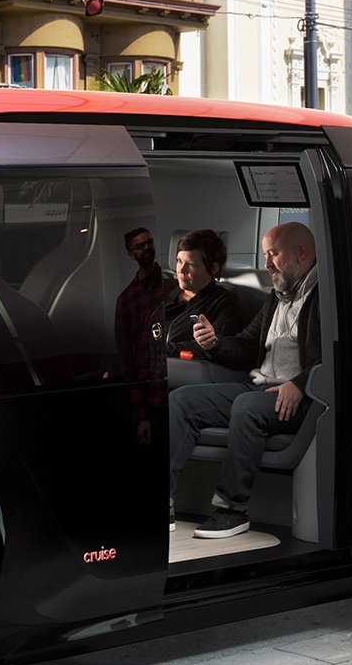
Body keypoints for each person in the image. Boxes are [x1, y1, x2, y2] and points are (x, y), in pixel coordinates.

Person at [169, 221, 322, 539]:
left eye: (273, 254)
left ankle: (231, 510)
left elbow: (338, 356)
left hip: (300, 395)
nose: (266, 264)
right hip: (259, 386)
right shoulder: (277, 297)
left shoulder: (326, 296)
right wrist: (214, 343)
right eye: (265, 255)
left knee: (247, 405)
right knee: (182, 399)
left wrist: (300, 383)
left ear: (302, 252)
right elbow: (246, 345)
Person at [113, 226, 173, 448]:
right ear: (131, 254)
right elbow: (127, 359)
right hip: (151, 396)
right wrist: (141, 415)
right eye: (140, 246)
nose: (147, 247)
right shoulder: (127, 300)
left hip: (175, 383)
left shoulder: (171, 282)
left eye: (149, 242)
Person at [163, 229, 251, 351]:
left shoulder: (224, 303)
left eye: (191, 264)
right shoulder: (163, 289)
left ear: (214, 268)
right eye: (179, 261)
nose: (181, 270)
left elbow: (214, 349)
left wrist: (166, 349)